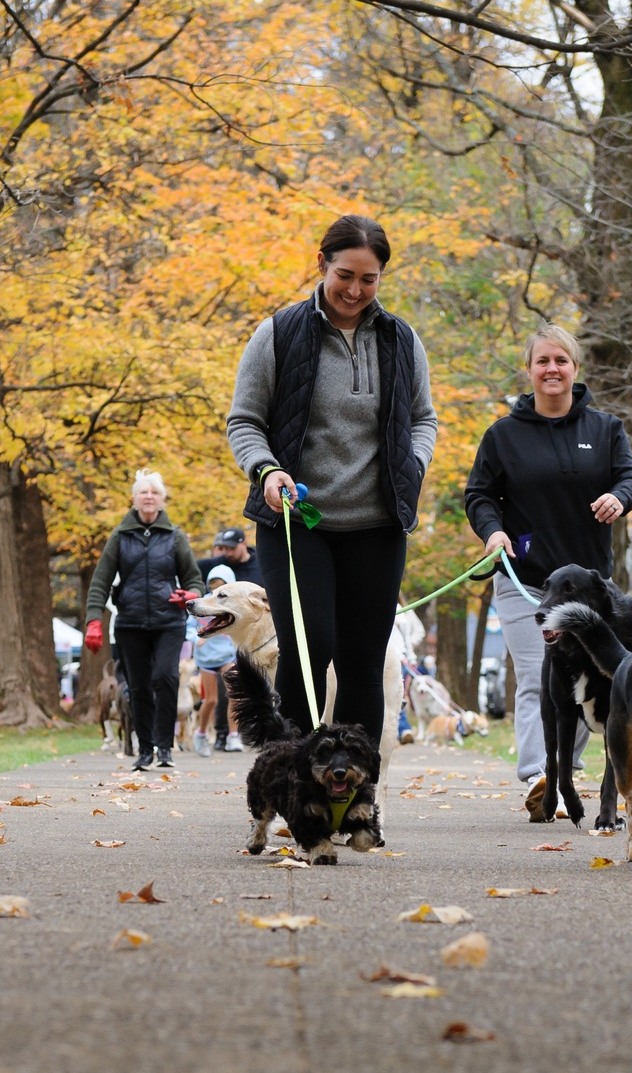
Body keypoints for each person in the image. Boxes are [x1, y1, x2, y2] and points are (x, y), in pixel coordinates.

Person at [226, 214, 438, 781]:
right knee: (309, 648)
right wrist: (266, 469)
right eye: (345, 275)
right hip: (298, 523)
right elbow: (244, 421)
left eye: (369, 279)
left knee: (364, 660)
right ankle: (293, 781)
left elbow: (423, 419)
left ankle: (354, 792)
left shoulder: (400, 340)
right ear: (322, 264)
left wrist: (414, 465)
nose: (354, 290)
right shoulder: (279, 333)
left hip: (377, 524)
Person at [464, 325, 632, 809]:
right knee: (537, 677)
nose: (552, 369)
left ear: (575, 368)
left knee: (589, 678)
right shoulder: (503, 435)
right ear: (529, 369)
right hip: (526, 581)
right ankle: (538, 776)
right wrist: (493, 532)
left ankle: (565, 768)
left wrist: (619, 497)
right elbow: (480, 495)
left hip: (589, 589)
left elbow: (631, 477)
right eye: (542, 361)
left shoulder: (605, 429)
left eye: (561, 360)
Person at [84, 469, 205, 771]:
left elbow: (194, 579)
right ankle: (145, 750)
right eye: (143, 492)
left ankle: (165, 748)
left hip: (169, 622)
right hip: (130, 622)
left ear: (162, 499)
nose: (149, 497)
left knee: (165, 677)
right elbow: (100, 581)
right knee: (138, 686)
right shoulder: (120, 536)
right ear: (134, 499)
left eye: (154, 492)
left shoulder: (175, 536)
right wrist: (93, 620)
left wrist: (191, 595)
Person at [191, 564, 242, 754]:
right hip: (207, 657)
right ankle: (201, 734)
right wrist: (196, 638)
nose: (216, 590)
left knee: (234, 695)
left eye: (222, 587)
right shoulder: (204, 602)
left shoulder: (233, 605)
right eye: (213, 586)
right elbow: (189, 626)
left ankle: (233, 735)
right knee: (210, 700)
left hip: (227, 654)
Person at [197, 527, 262, 585]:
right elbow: (193, 572)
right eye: (225, 548)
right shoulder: (216, 564)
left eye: (232, 548)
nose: (229, 553)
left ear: (244, 543)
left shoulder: (261, 563)